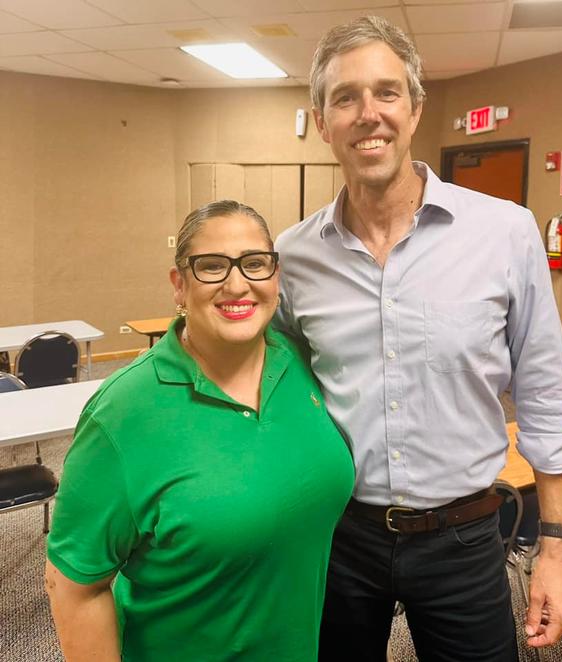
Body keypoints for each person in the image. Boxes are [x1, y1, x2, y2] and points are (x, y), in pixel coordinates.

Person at [275, 16, 562, 662]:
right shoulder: (293, 257)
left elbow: (546, 397)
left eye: (387, 93)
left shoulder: (505, 233)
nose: (369, 114)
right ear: (322, 120)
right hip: (339, 537)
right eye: (345, 97)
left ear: (415, 109)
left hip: (465, 538)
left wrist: (556, 548)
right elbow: (276, 395)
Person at [45, 200, 354, 662]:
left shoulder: (299, 362)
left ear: (276, 276)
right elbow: (75, 586)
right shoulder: (124, 413)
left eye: (254, 263)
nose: (237, 283)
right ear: (179, 286)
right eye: (211, 266)